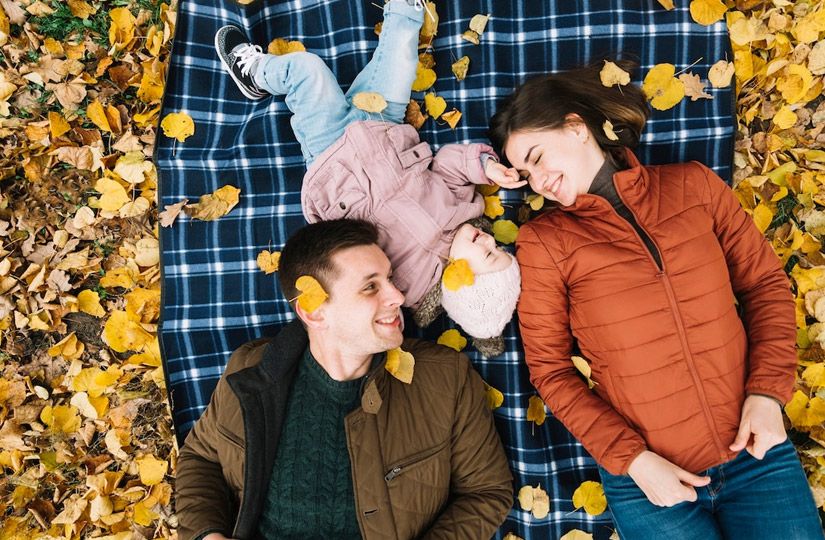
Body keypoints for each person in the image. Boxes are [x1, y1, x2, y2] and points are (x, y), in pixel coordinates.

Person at [488, 61, 825, 539]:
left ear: (576, 127)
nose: (538, 181)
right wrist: (634, 461)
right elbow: (551, 370)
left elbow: (764, 285)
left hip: (756, 453)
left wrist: (768, 394)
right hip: (648, 479)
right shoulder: (545, 243)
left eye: (537, 157)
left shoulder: (694, 185)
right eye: (525, 174)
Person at [213, 0, 523, 356]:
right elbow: (450, 166)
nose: (489, 241)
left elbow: (345, 259)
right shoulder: (464, 209)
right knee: (401, 50)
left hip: (333, 156)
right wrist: (485, 166)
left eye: (488, 255)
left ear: (461, 281)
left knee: (307, 71)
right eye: (498, 247)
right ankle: (406, 7)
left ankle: (256, 74)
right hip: (383, 124)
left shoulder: (406, 284)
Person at [175, 218, 513, 540]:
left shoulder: (445, 378)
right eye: (370, 287)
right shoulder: (249, 370)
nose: (398, 297)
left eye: (390, 279)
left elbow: (487, 491)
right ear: (313, 311)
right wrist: (209, 534)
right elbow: (201, 457)